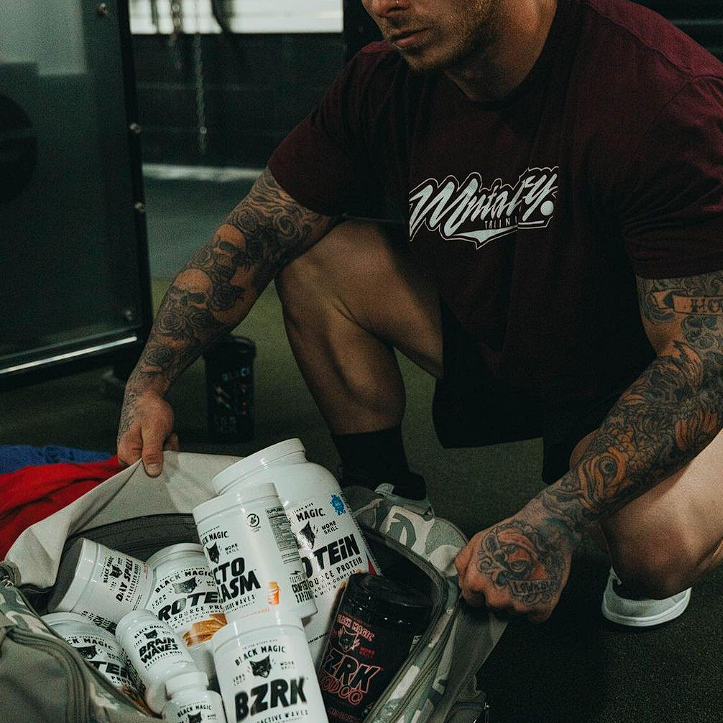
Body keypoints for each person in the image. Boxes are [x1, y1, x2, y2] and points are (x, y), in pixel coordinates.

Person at [117, 0, 723, 627]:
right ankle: (381, 492)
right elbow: (257, 233)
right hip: (511, 333)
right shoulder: (386, 79)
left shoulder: (660, 97)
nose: (382, 5)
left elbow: (704, 359)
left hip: (640, 375)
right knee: (314, 255)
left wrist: (555, 518)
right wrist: (149, 382)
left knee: (651, 552)